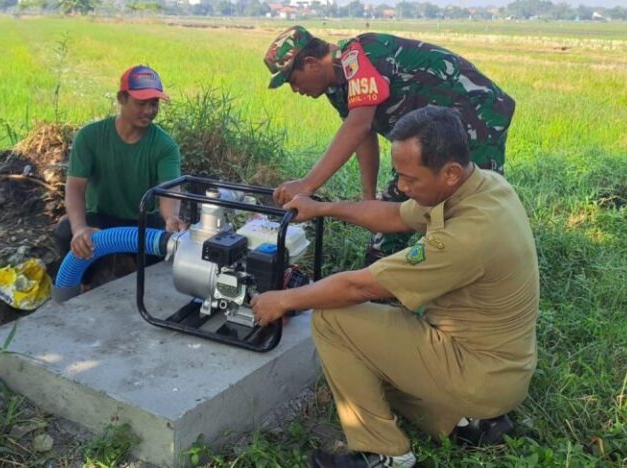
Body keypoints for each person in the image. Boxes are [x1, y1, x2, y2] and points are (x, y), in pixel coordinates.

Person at [251, 106, 538, 468]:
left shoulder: (467, 236)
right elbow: (394, 216)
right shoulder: (483, 186)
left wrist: (284, 299)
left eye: (410, 179)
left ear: (449, 173)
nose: (402, 188)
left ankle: (385, 453)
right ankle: (468, 423)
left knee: (331, 319)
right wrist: (321, 209)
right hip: (498, 367)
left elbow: (361, 287)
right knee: (367, 365)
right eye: (398, 177)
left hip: (479, 373)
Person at [264, 26, 515, 264]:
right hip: (425, 139)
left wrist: (307, 185)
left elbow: (358, 126)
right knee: (393, 213)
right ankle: (383, 289)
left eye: (293, 80)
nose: (296, 90)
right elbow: (364, 136)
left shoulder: (361, 55)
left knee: (472, 205)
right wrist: (369, 200)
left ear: (311, 63)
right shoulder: (336, 87)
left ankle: (489, 270)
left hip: (477, 117)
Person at [55, 65, 185, 263]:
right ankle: (87, 283)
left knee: (168, 244)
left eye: (154, 104)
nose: (149, 111)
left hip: (142, 221)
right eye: (141, 103)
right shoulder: (90, 137)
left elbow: (170, 191)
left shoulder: (165, 146)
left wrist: (171, 218)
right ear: (121, 99)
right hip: (101, 218)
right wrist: (79, 228)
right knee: (66, 233)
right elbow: (75, 188)